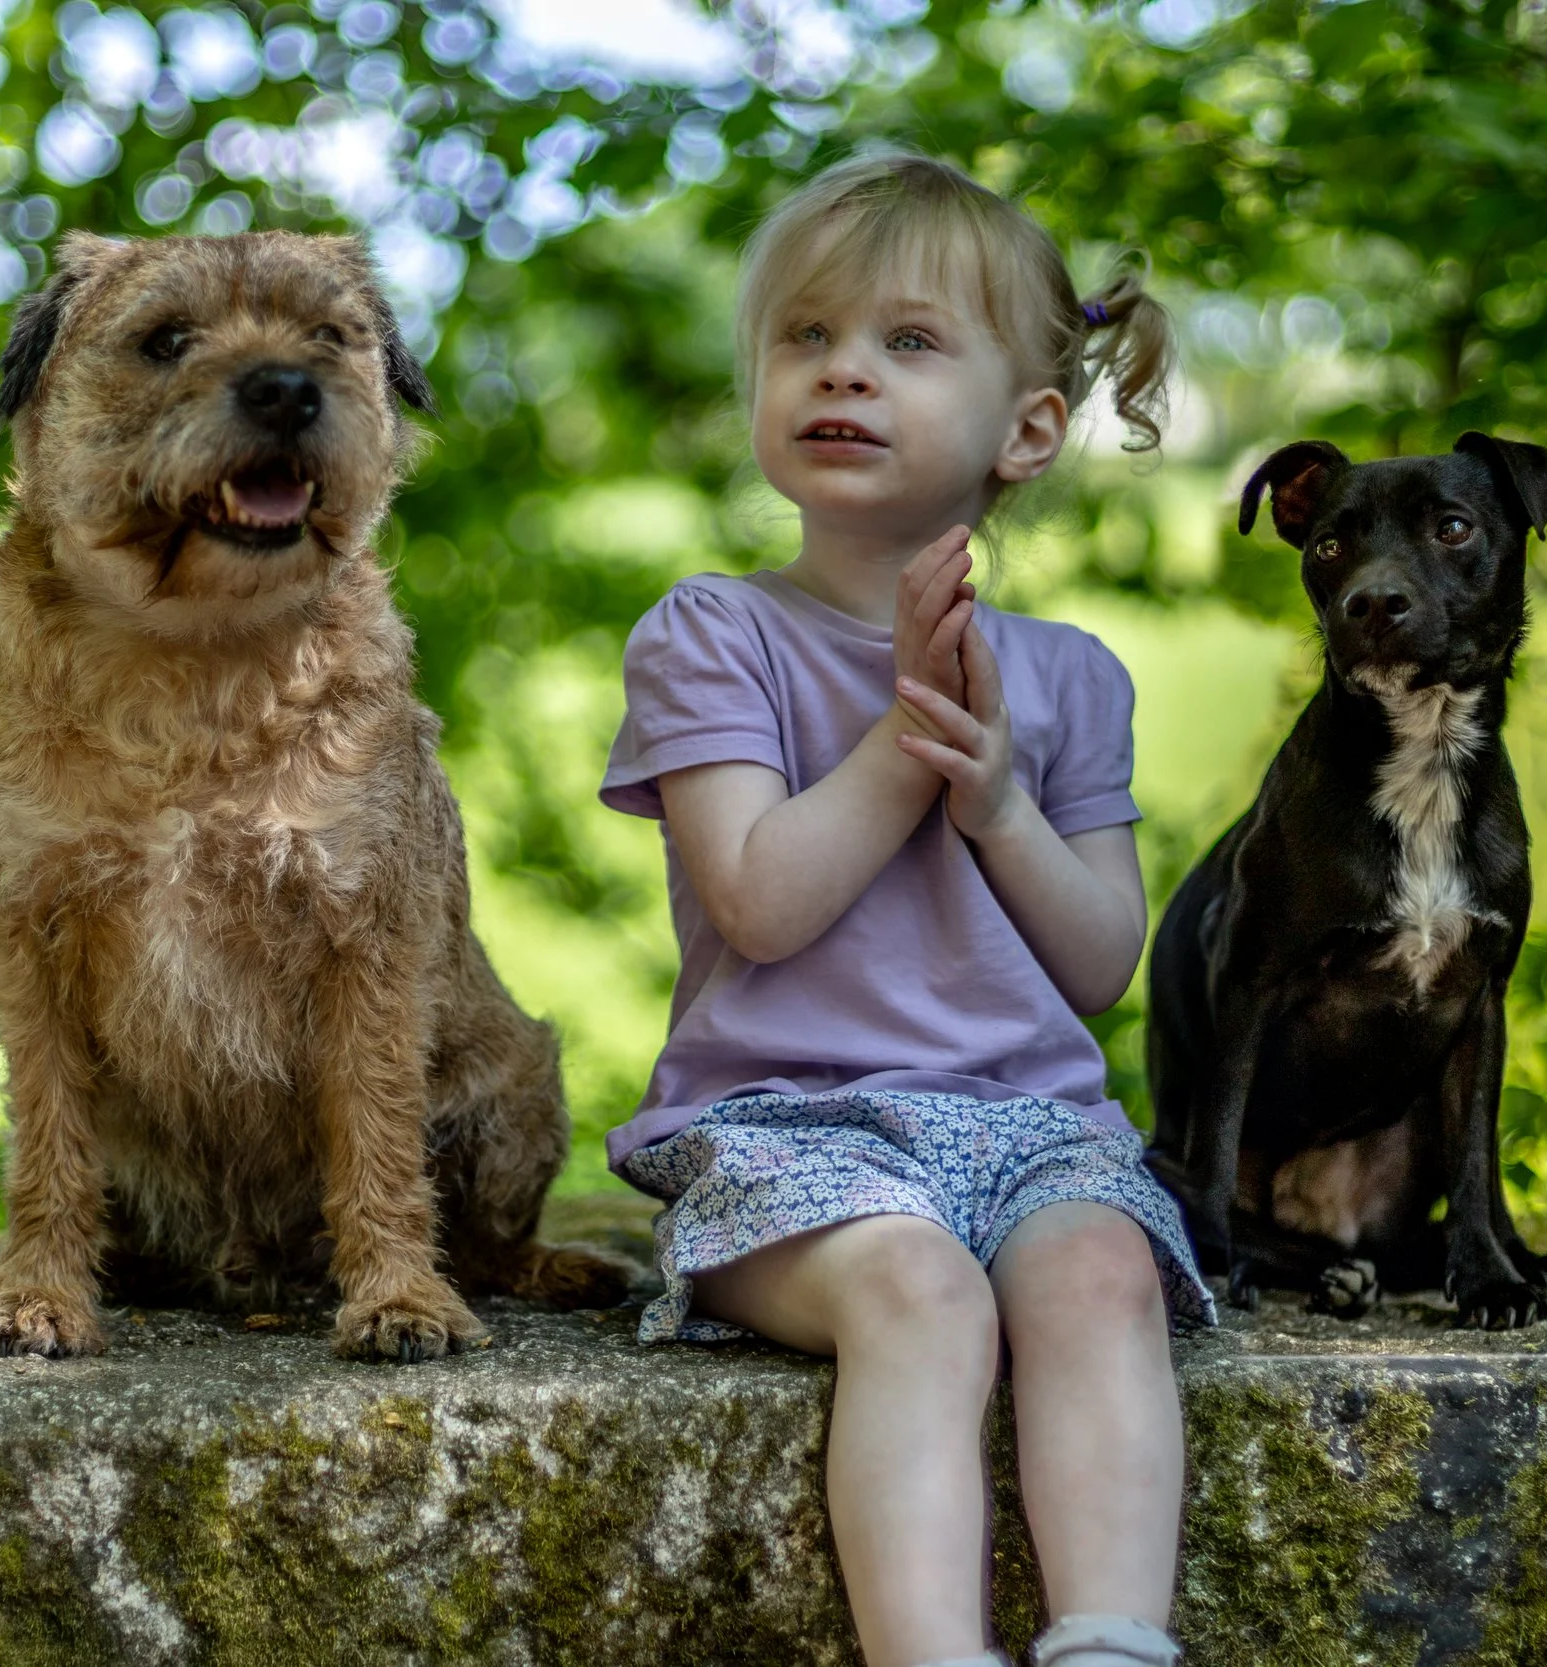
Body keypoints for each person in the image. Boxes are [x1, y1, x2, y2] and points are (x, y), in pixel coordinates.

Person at [598, 152, 1213, 1667]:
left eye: (908, 343)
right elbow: (759, 902)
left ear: (1029, 428)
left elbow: (1101, 962)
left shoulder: (1072, 676)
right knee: (923, 1289)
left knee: (1094, 1267)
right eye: (805, 339)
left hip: (1029, 1124)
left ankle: (1112, 1641)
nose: (844, 373)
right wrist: (904, 741)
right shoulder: (713, 633)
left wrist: (997, 799)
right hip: (785, 1132)